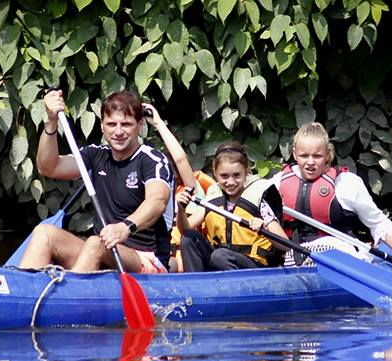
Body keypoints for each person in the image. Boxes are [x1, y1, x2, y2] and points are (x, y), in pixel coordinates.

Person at [18, 89, 173, 273]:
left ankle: (68, 296)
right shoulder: (96, 155)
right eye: (111, 124)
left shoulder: (152, 160)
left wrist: (125, 228)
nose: (118, 131)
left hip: (146, 259)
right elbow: (48, 167)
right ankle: (26, 293)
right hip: (104, 250)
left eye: (126, 124)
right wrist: (51, 121)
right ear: (102, 126)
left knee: (96, 243)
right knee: (44, 233)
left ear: (139, 125)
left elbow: (157, 201)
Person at [271, 121, 392, 288]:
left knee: (326, 249)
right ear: (294, 154)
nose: (310, 162)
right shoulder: (278, 182)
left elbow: (378, 224)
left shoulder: (346, 183)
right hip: (296, 257)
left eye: (317, 156)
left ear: (327, 155)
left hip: (339, 254)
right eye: (304, 156)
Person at [176, 142, 289, 272]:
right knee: (188, 238)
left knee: (220, 255)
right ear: (215, 173)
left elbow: (284, 244)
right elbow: (185, 229)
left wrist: (263, 228)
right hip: (219, 260)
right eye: (224, 176)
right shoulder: (213, 194)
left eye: (236, 175)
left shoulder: (258, 197)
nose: (230, 182)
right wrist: (181, 209)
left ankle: (234, 290)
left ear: (246, 171)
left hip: (254, 266)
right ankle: (196, 288)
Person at [141, 104, 216, 272]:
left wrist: (159, 124)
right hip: (160, 257)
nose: (167, 173)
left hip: (188, 256)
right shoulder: (149, 192)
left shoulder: (188, 189)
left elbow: (180, 159)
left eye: (171, 168)